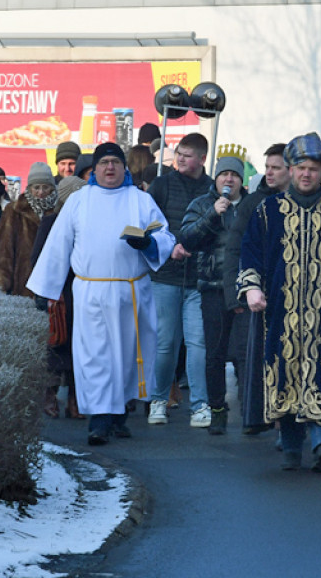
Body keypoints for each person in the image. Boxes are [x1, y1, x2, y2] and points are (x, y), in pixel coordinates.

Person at [26, 143, 176, 445]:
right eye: (104, 162)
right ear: (94, 169)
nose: (110, 168)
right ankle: (98, 421)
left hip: (130, 291)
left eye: (116, 163)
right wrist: (46, 291)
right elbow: (58, 244)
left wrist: (146, 244)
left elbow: (164, 236)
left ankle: (119, 416)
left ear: (124, 168)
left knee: (126, 357)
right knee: (95, 357)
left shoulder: (140, 200)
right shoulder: (80, 201)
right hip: (91, 292)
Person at [238, 132, 321, 473]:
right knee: (284, 372)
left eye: (313, 168)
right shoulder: (268, 210)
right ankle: (291, 445)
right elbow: (249, 253)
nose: (306, 174)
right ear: (291, 169)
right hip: (278, 310)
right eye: (300, 167)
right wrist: (252, 288)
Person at [146, 132, 214, 428]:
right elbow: (148, 225)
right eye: (178, 153)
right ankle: (158, 400)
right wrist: (168, 247)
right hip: (165, 277)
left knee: (198, 343)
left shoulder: (212, 188)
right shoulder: (162, 185)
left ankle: (200, 404)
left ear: (201, 158)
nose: (180, 159)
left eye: (187, 155)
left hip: (199, 279)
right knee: (165, 344)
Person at [222, 142, 290, 435]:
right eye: (267, 167)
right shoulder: (254, 204)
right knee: (251, 356)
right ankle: (257, 415)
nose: (269, 173)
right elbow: (234, 249)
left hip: (293, 294)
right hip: (257, 293)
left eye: (276, 167)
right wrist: (235, 293)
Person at [179, 153, 249, 435]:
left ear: (241, 181)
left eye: (234, 175)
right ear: (216, 179)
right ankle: (217, 408)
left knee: (245, 353)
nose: (229, 179)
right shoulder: (203, 204)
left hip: (244, 289)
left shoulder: (250, 205)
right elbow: (188, 238)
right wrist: (212, 214)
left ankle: (249, 410)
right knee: (215, 353)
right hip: (212, 288)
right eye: (224, 175)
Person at [29, 175, 88, 420]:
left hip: (84, 291)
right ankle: (50, 395)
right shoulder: (51, 221)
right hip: (59, 294)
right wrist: (45, 293)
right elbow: (38, 259)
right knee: (56, 345)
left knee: (81, 349)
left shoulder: (88, 222)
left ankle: (76, 398)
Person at [0, 162, 58, 298]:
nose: (41, 192)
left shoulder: (59, 209)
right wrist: (1, 284)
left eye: (45, 187)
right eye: (36, 187)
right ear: (29, 188)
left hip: (52, 284)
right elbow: (4, 250)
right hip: (22, 284)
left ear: (52, 188)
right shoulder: (15, 210)